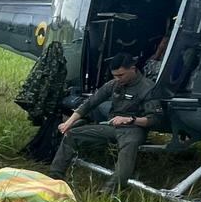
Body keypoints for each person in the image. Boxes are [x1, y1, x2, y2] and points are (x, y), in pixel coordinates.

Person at [49, 52, 164, 193]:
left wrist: (131, 119)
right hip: (111, 126)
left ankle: (109, 192)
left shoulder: (147, 88)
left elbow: (155, 119)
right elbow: (89, 103)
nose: (117, 79)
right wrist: (69, 122)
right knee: (72, 134)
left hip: (134, 129)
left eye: (121, 75)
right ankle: (55, 178)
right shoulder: (114, 84)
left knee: (127, 151)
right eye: (114, 75)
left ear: (133, 69)